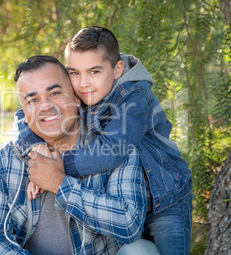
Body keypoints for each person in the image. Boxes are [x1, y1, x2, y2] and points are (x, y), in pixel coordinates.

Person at [15, 27, 193, 255]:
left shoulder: (136, 97)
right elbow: (25, 112)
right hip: (128, 196)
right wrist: (36, 145)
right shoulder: (87, 90)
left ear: (117, 69)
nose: (83, 84)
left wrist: (59, 166)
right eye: (74, 73)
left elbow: (111, 150)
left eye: (94, 72)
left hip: (166, 199)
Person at [0, 55, 160, 254]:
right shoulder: (3, 160)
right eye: (33, 100)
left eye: (55, 93)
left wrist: (59, 183)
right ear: (24, 114)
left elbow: (129, 224)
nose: (45, 106)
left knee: (141, 250)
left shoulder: (114, 145)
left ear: (76, 97)